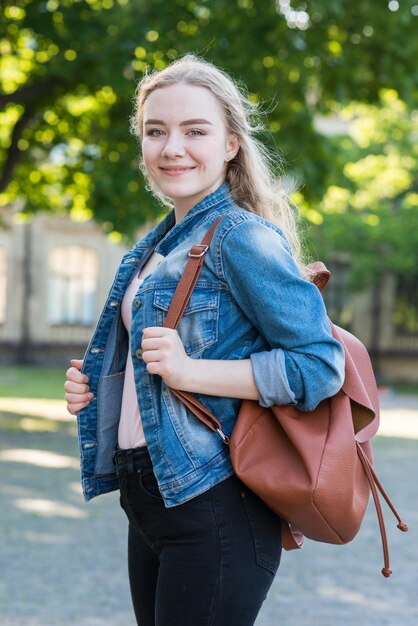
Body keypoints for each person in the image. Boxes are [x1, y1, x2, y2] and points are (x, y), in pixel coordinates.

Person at [65, 54, 345, 626]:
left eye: (195, 131)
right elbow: (153, 369)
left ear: (231, 144)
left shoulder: (240, 236)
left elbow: (320, 366)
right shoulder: (157, 245)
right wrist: (97, 388)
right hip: (148, 494)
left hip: (216, 501)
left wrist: (189, 371)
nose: (173, 147)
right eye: (156, 131)